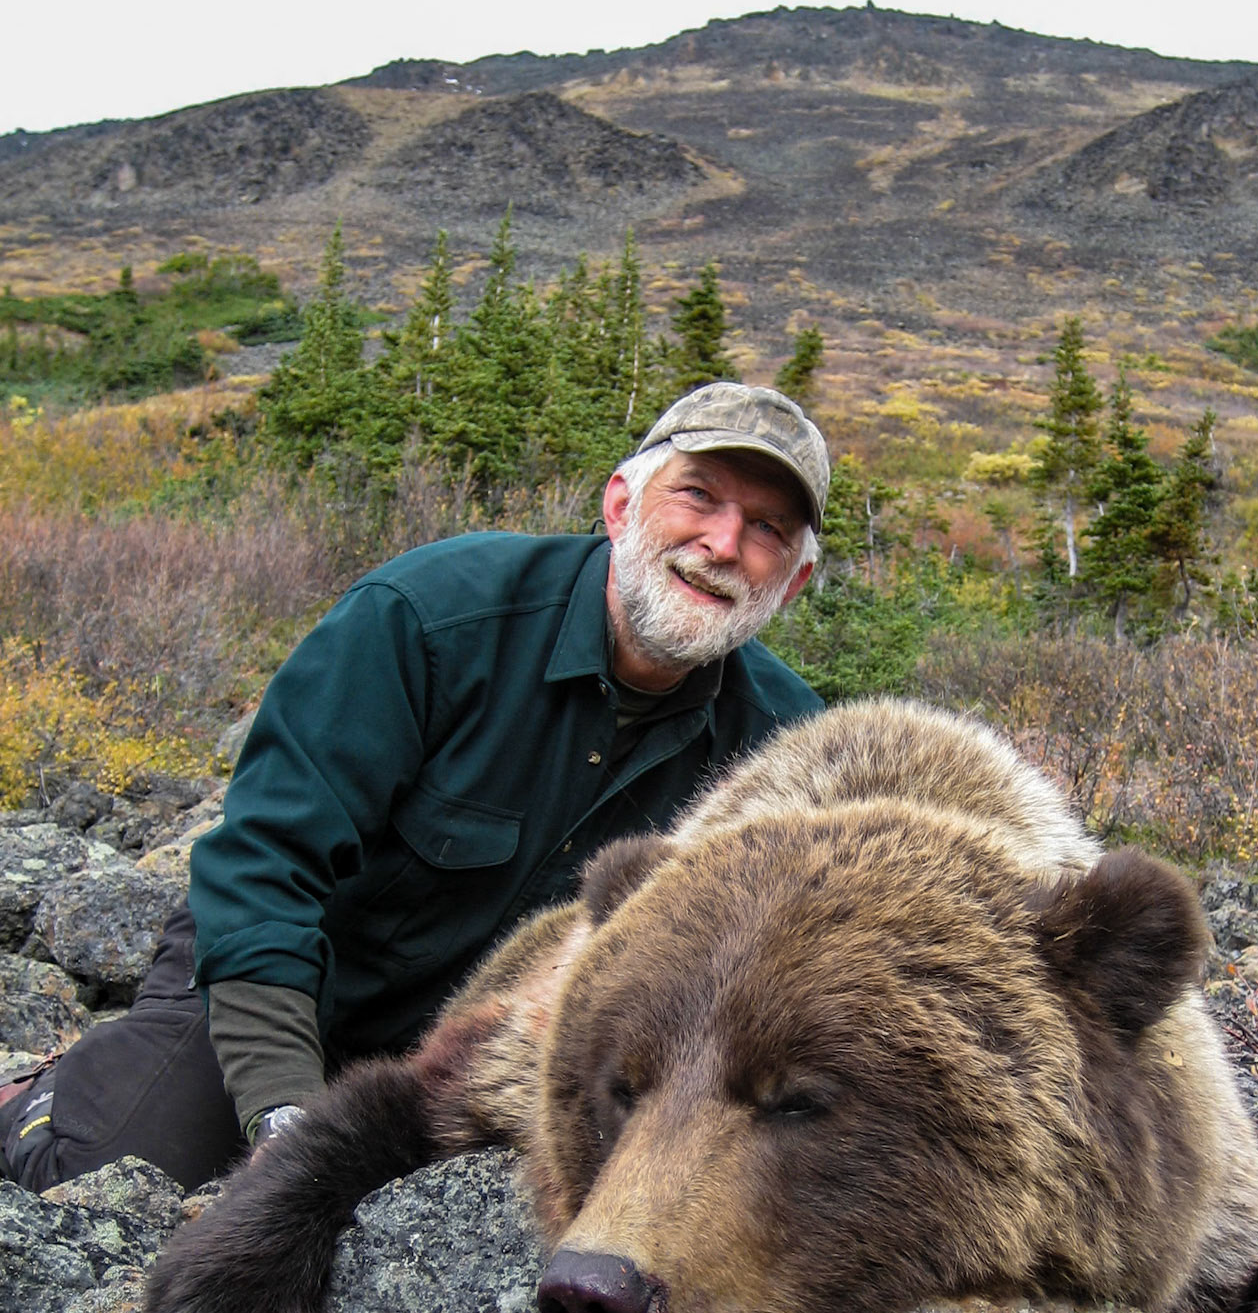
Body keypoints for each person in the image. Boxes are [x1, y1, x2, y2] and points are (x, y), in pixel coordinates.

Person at [0, 382, 828, 1193]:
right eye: (699, 497)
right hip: (290, 978)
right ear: (620, 505)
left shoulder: (789, 753)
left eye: (765, 529)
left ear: (789, 582)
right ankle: (31, 1105)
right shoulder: (429, 618)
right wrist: (284, 1114)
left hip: (488, 1059)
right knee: (125, 1177)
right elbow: (263, 865)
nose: (722, 544)